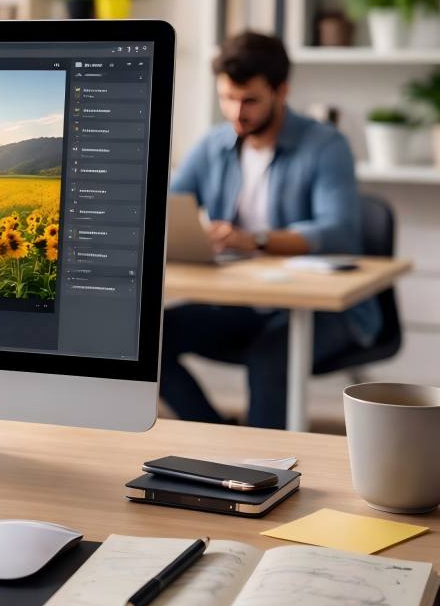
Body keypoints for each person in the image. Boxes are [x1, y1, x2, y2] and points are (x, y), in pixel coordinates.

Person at [162, 32, 379, 428]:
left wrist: (255, 240)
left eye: (249, 100)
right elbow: (169, 206)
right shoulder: (214, 144)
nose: (236, 113)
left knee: (270, 357)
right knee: (150, 336)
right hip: (244, 301)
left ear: (281, 91)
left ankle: (266, 461)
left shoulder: (326, 145)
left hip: (325, 311)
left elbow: (338, 230)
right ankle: (221, 438)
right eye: (227, 98)